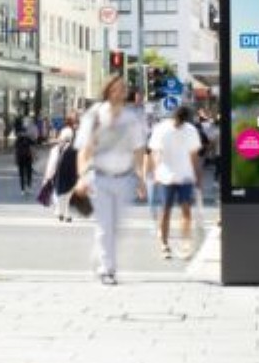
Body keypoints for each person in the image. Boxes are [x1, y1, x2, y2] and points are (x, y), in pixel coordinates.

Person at [74, 76, 148, 286]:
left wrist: (141, 178)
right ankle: (107, 270)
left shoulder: (131, 118)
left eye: (121, 89)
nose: (118, 93)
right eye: (114, 89)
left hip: (124, 178)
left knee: (115, 227)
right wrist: (81, 178)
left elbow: (139, 150)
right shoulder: (95, 115)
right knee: (105, 225)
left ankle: (101, 257)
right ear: (107, 91)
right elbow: (84, 150)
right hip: (99, 177)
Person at [147, 106, 203, 260]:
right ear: (173, 117)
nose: (179, 124)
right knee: (166, 210)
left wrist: (197, 176)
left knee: (186, 211)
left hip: (185, 176)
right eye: (178, 121)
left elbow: (194, 155)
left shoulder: (190, 130)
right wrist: (156, 172)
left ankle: (185, 243)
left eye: (182, 122)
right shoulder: (161, 129)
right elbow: (155, 152)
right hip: (166, 177)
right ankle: (164, 244)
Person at [43, 126, 79, 222]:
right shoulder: (75, 149)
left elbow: (52, 164)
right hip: (72, 176)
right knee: (68, 195)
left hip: (59, 175)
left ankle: (60, 212)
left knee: (60, 194)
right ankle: (66, 214)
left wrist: (48, 176)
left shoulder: (56, 149)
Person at [14, 127, 36, 196]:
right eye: (23, 132)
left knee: (25, 174)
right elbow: (34, 144)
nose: (23, 134)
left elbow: (16, 150)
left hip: (24, 159)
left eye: (23, 132)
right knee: (26, 174)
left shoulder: (20, 139)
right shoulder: (24, 139)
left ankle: (25, 188)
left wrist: (15, 159)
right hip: (25, 158)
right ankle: (25, 188)